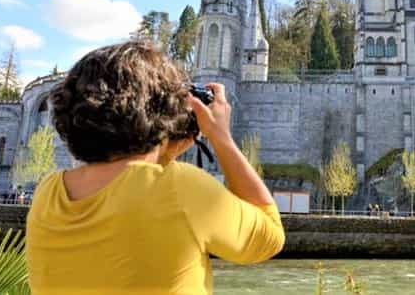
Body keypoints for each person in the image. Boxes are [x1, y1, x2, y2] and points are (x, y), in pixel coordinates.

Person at [26, 41, 284, 294]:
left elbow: (134, 187)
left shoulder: (47, 193)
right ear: (162, 111)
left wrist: (162, 150)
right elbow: (269, 237)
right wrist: (221, 138)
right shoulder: (180, 188)